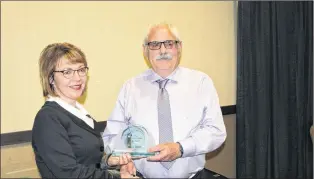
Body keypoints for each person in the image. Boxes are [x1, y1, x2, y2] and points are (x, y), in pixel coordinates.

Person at [102, 23, 227, 178]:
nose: (163, 51)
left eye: (169, 43)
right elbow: (112, 137)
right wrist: (124, 158)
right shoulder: (130, 88)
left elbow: (216, 132)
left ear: (179, 47)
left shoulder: (201, 83)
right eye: (154, 45)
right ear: (145, 50)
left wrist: (180, 148)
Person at [32, 42, 138, 178]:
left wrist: (110, 161)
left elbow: (86, 160)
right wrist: (119, 177)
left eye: (81, 70)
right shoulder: (48, 118)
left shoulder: (79, 113)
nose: (77, 78)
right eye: (67, 72)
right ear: (51, 78)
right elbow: (69, 173)